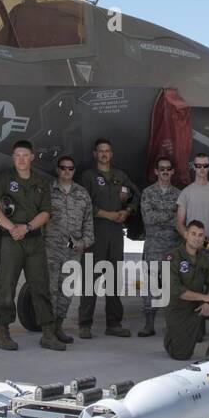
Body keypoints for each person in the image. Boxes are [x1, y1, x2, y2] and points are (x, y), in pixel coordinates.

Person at [0, 140, 66, 351]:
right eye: (17, 155)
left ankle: (48, 333)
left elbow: (46, 212)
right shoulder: (5, 179)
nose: (21, 159)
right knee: (6, 287)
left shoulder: (40, 182)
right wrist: (12, 228)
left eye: (25, 155)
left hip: (34, 240)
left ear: (32, 157)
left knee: (40, 286)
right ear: (13, 158)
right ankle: (3, 333)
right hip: (10, 241)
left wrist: (26, 228)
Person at [77, 137, 136, 338]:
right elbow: (83, 203)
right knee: (89, 280)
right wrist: (106, 214)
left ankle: (114, 323)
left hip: (116, 234)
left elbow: (134, 197)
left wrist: (126, 211)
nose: (104, 154)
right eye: (100, 151)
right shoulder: (87, 177)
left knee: (113, 278)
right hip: (95, 232)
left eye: (107, 151)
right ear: (95, 154)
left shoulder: (120, 176)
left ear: (111, 154)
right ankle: (84, 324)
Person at [163, 220, 209, 360]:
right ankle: (171, 338)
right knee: (181, 355)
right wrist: (204, 298)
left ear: (204, 238)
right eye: (193, 234)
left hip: (199, 305)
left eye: (200, 235)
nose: (197, 238)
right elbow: (175, 290)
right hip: (180, 310)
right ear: (186, 235)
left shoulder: (204, 258)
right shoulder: (172, 257)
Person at [44, 154, 92, 343]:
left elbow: (88, 222)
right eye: (63, 168)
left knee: (66, 290)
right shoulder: (48, 191)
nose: (67, 171)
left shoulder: (82, 194)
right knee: (50, 290)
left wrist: (84, 242)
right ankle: (48, 331)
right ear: (58, 170)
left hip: (73, 251)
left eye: (70, 168)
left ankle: (58, 327)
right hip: (51, 248)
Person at [138, 156, 182, 337]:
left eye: (168, 168)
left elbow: (180, 220)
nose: (165, 171)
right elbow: (148, 219)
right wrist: (170, 217)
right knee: (150, 285)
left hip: (173, 246)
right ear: (156, 171)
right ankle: (149, 324)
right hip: (154, 246)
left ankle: (173, 324)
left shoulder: (180, 195)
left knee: (173, 285)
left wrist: (163, 217)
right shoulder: (148, 193)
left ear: (172, 171)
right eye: (161, 168)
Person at [176, 152, 209, 284]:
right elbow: (179, 222)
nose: (202, 169)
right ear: (194, 167)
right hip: (192, 249)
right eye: (199, 166)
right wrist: (191, 240)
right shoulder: (186, 192)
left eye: (205, 165)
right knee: (191, 285)